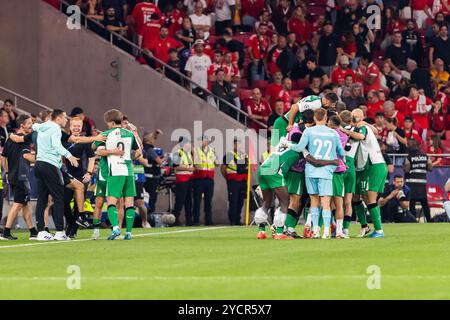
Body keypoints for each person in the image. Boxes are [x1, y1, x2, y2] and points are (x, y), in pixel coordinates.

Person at [289, 108, 345, 239]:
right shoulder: (333, 133)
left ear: (314, 118)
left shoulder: (309, 131)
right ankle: (326, 231)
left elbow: (298, 147)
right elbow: (341, 153)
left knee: (314, 200)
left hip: (311, 171)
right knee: (326, 202)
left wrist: (287, 144)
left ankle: (315, 231)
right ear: (325, 118)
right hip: (326, 171)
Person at [93, 109, 141, 240]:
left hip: (115, 170)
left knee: (111, 201)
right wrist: (130, 157)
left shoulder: (107, 134)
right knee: (129, 202)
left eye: (108, 123)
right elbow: (138, 152)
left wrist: (102, 143)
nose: (107, 125)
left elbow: (94, 147)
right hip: (128, 171)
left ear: (112, 122)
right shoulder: (130, 134)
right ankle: (129, 233)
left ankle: (115, 228)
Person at [32, 110, 79, 241]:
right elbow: (56, 146)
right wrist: (70, 156)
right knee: (59, 197)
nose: (66, 120)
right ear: (58, 118)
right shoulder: (56, 128)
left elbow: (34, 126)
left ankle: (41, 232)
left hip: (39, 164)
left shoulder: (43, 126)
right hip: (50, 165)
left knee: (42, 199)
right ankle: (59, 232)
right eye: (64, 118)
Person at [342, 108, 387, 238]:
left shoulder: (362, 128)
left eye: (355, 117)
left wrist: (344, 130)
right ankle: (364, 226)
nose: (353, 120)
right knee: (356, 196)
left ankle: (379, 230)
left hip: (374, 165)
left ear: (360, 119)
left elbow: (361, 135)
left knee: (369, 198)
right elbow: (376, 131)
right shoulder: (362, 127)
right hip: (363, 167)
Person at [0, 115, 38, 240]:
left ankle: (33, 231)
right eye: (29, 123)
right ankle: (6, 232)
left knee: (25, 204)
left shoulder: (9, 139)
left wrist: (7, 172)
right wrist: (40, 158)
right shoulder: (24, 140)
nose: (31, 126)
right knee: (18, 204)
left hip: (13, 176)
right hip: (21, 176)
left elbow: (3, 157)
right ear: (22, 125)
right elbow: (27, 156)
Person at [404, 138, 433, 222]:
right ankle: (429, 220)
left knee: (412, 203)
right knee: (424, 203)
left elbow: (406, 170)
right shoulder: (425, 156)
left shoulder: (409, 157)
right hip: (422, 184)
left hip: (412, 184)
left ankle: (414, 221)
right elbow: (430, 167)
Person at [221, 137, 248, 225]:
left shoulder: (243, 155)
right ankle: (232, 220)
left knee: (240, 201)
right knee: (233, 200)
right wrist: (228, 178)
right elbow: (223, 168)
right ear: (234, 144)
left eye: (240, 144)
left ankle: (238, 219)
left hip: (242, 181)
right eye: (236, 143)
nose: (238, 145)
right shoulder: (229, 155)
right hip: (233, 180)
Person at [192, 135, 217, 226]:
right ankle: (196, 220)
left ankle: (208, 220)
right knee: (197, 200)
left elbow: (216, 163)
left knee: (208, 201)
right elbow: (193, 162)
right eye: (200, 141)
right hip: (198, 178)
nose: (202, 142)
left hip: (209, 178)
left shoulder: (211, 150)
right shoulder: (195, 150)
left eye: (203, 140)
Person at [172, 137, 195, 226]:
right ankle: (175, 220)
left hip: (189, 179)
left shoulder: (189, 154)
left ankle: (189, 220)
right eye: (188, 143)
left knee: (189, 201)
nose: (190, 145)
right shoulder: (177, 153)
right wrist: (187, 169)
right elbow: (176, 167)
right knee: (180, 200)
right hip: (181, 180)